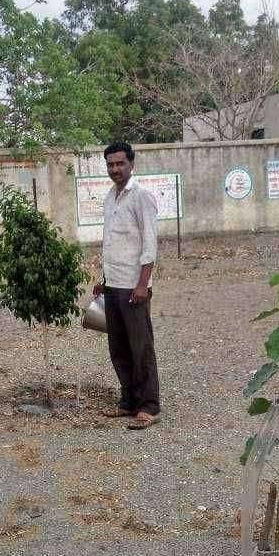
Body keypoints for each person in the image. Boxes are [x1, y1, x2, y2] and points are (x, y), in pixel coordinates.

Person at [92, 141, 160, 430]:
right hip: (113, 285)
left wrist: (143, 284)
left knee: (140, 347)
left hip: (134, 287)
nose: (115, 169)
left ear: (132, 164)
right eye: (110, 164)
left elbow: (149, 243)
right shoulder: (110, 197)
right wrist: (103, 279)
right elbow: (112, 242)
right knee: (118, 347)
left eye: (120, 163)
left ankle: (149, 406)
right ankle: (128, 401)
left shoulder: (141, 196)